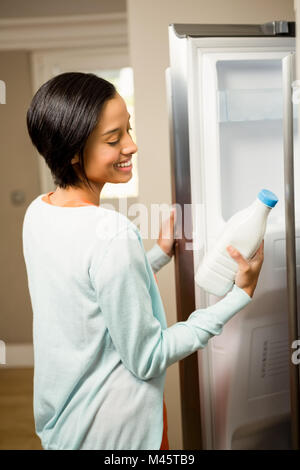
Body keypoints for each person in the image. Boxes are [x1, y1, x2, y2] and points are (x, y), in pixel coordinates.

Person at [22, 72, 264, 450]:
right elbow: (149, 357)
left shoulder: (39, 212)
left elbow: (87, 296)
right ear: (72, 152)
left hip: (65, 424)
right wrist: (240, 294)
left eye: (128, 130)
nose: (131, 146)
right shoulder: (111, 234)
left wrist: (157, 254)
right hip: (116, 432)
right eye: (113, 139)